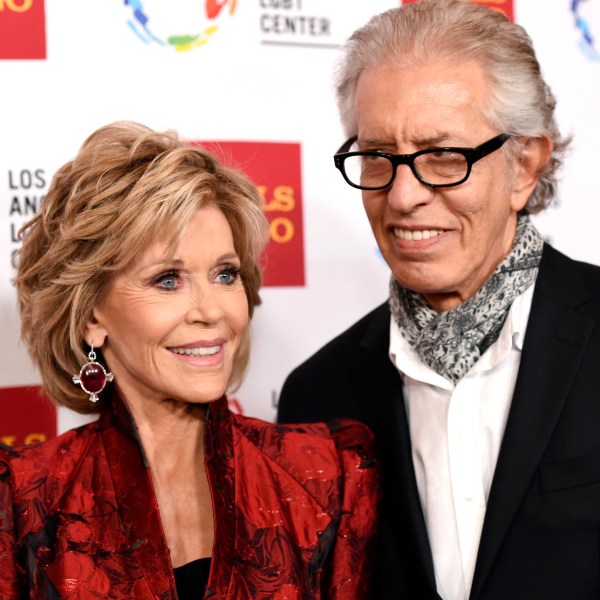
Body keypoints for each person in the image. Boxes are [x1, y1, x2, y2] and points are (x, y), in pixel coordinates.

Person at [277, 1, 600, 598]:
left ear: (524, 166)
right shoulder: (316, 396)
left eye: (443, 156)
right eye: (377, 156)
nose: (402, 197)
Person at [0, 121, 379, 599]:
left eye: (225, 274)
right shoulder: (20, 501)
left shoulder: (327, 474)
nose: (212, 311)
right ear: (91, 315)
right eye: (168, 280)